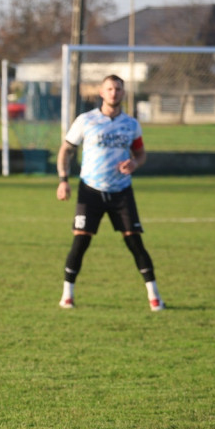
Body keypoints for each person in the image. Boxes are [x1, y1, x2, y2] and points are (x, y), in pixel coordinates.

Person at [55, 74, 165, 311]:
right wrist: (63, 180)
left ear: (123, 93)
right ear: (101, 93)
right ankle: (67, 296)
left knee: (135, 242)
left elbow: (140, 154)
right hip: (90, 191)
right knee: (80, 241)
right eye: (110, 89)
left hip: (121, 192)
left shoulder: (131, 124)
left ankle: (154, 297)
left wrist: (134, 163)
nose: (114, 93)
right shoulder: (86, 120)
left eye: (118, 89)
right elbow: (66, 150)